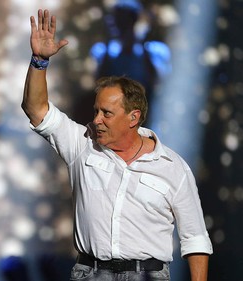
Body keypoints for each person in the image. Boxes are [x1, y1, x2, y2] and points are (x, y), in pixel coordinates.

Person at [21, 9, 212, 281]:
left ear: (133, 118)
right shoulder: (81, 145)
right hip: (91, 273)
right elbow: (36, 108)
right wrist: (39, 60)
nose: (96, 119)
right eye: (96, 111)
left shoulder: (173, 167)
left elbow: (195, 238)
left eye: (106, 114)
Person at [75, 0, 171, 126]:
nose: (119, 25)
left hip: (143, 119)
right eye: (117, 19)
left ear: (133, 20)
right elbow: (97, 83)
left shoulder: (153, 51)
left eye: (123, 20)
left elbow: (159, 84)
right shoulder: (103, 52)